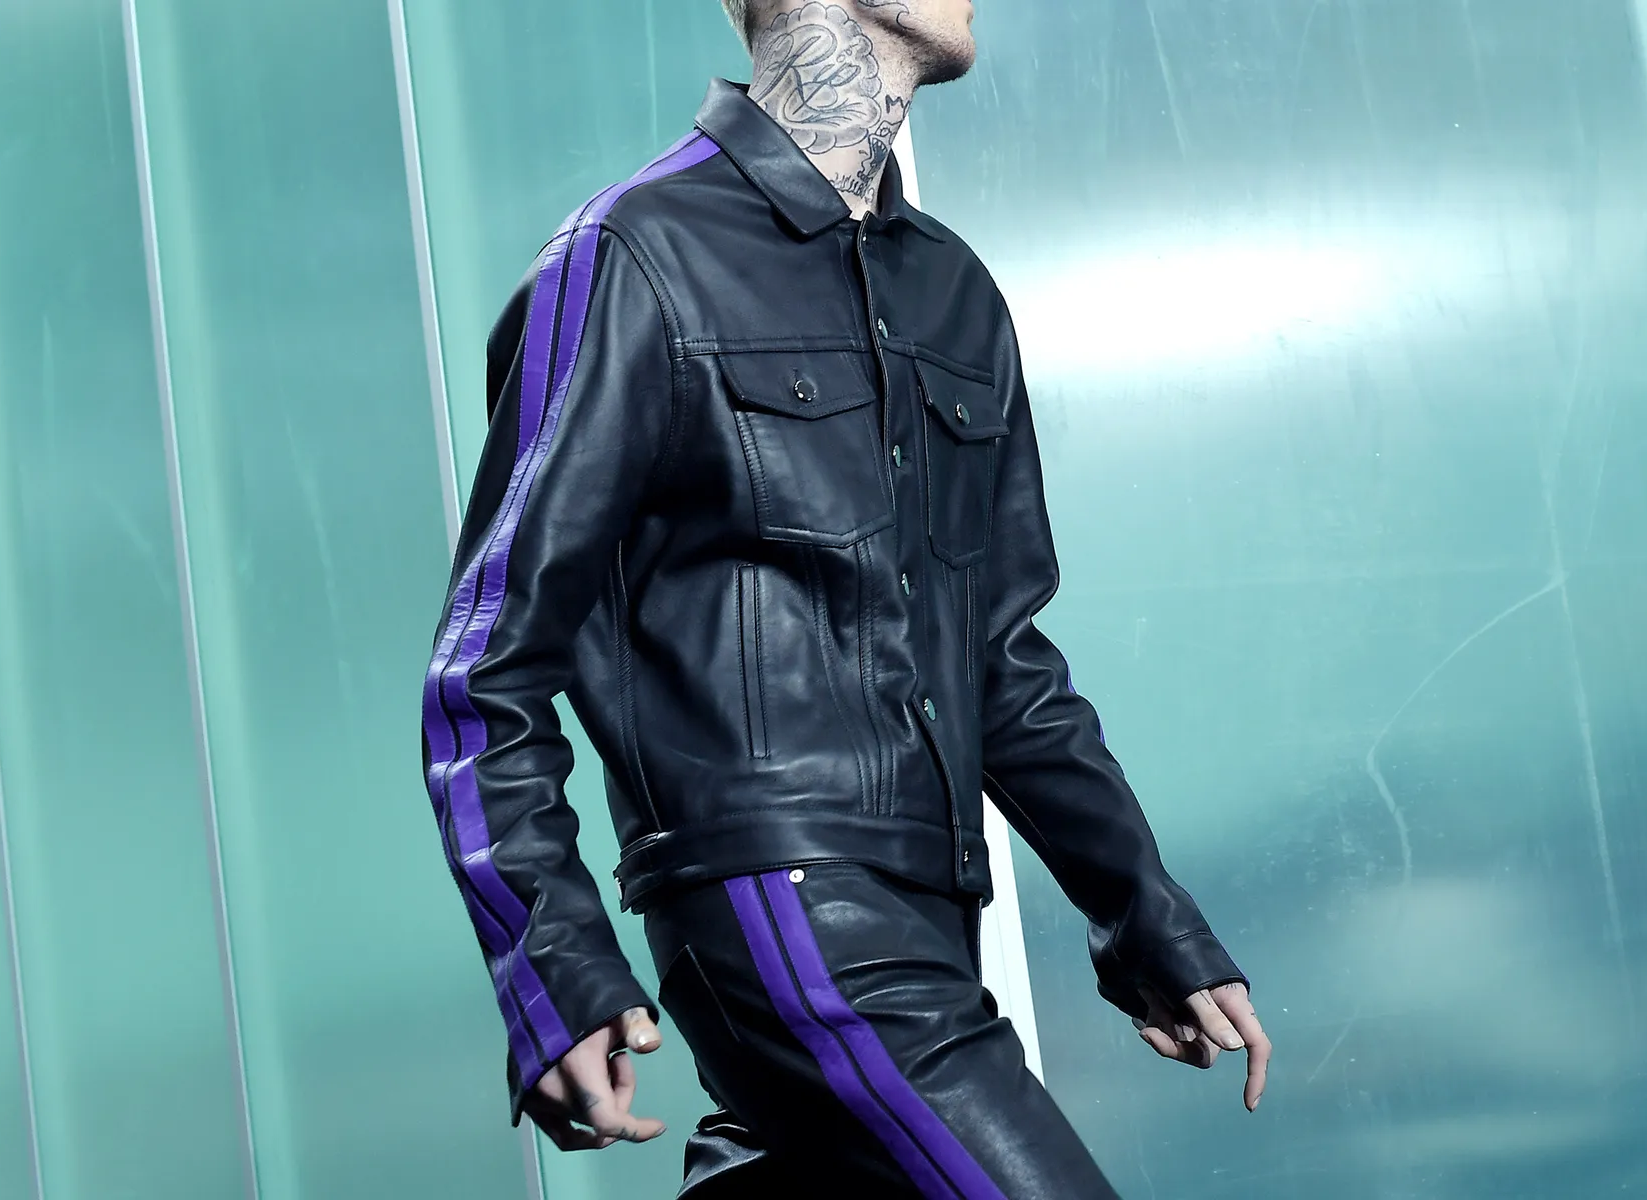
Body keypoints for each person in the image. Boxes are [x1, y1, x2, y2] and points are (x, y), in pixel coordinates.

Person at [418, 2, 1269, 1194]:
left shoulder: (955, 292)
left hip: (933, 915)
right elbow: (485, 669)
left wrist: (1143, 910)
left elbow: (1003, 662)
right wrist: (549, 960)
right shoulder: (633, 255)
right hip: (782, 903)